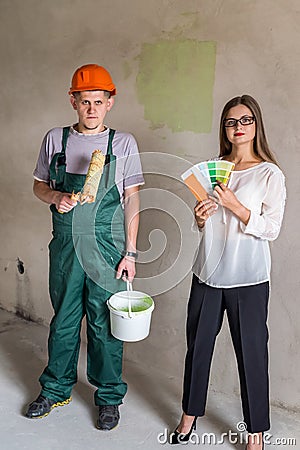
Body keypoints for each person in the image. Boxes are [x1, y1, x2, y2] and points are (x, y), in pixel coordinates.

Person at [26, 64, 144, 431]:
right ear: (73, 101)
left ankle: (108, 396)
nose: (91, 108)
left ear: (110, 103)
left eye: (98, 101)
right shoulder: (55, 140)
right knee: (63, 319)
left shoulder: (121, 143)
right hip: (65, 248)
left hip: (106, 249)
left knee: (104, 323)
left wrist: (131, 253)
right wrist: (57, 195)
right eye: (84, 101)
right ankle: (56, 388)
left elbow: (132, 200)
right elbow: (38, 187)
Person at [171, 95, 286, 449]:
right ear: (224, 128)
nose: (238, 127)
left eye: (246, 120)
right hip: (207, 273)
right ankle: (189, 416)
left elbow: (272, 229)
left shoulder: (269, 173)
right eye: (231, 122)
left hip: (249, 278)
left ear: (256, 125)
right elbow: (205, 224)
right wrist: (200, 218)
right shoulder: (212, 167)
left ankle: (255, 432)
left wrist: (235, 206)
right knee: (198, 346)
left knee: (252, 352)